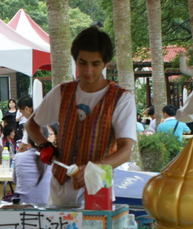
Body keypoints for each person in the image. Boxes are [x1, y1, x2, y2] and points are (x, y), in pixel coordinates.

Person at [25, 26, 136, 207]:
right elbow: (31, 124)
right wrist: (44, 144)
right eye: (82, 63)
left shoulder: (121, 99)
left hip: (98, 190)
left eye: (95, 64)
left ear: (105, 63)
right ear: (75, 60)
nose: (88, 70)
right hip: (59, 188)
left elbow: (125, 151)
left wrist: (95, 168)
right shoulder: (62, 92)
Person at [13, 128, 53, 205]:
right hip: (47, 207)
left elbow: (15, 181)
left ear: (27, 141)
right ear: (47, 140)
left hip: (23, 207)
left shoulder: (18, 157)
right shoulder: (53, 160)